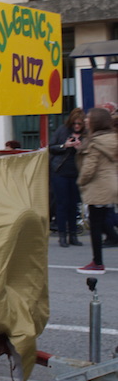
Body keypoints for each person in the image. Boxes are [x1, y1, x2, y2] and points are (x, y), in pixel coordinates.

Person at [75, 107, 118, 274]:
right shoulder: (113, 139)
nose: (85, 120)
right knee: (104, 220)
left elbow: (89, 168)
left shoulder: (95, 143)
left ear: (96, 122)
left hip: (99, 186)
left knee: (95, 225)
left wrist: (81, 182)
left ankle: (97, 263)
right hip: (112, 184)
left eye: (88, 118)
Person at [49, 108, 86, 248]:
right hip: (60, 171)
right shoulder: (62, 130)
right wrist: (65, 145)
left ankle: (73, 235)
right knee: (62, 204)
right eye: (74, 123)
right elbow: (51, 147)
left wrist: (80, 148)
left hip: (76, 172)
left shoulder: (86, 134)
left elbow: (89, 153)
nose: (77, 126)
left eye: (79, 124)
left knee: (73, 204)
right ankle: (62, 235)